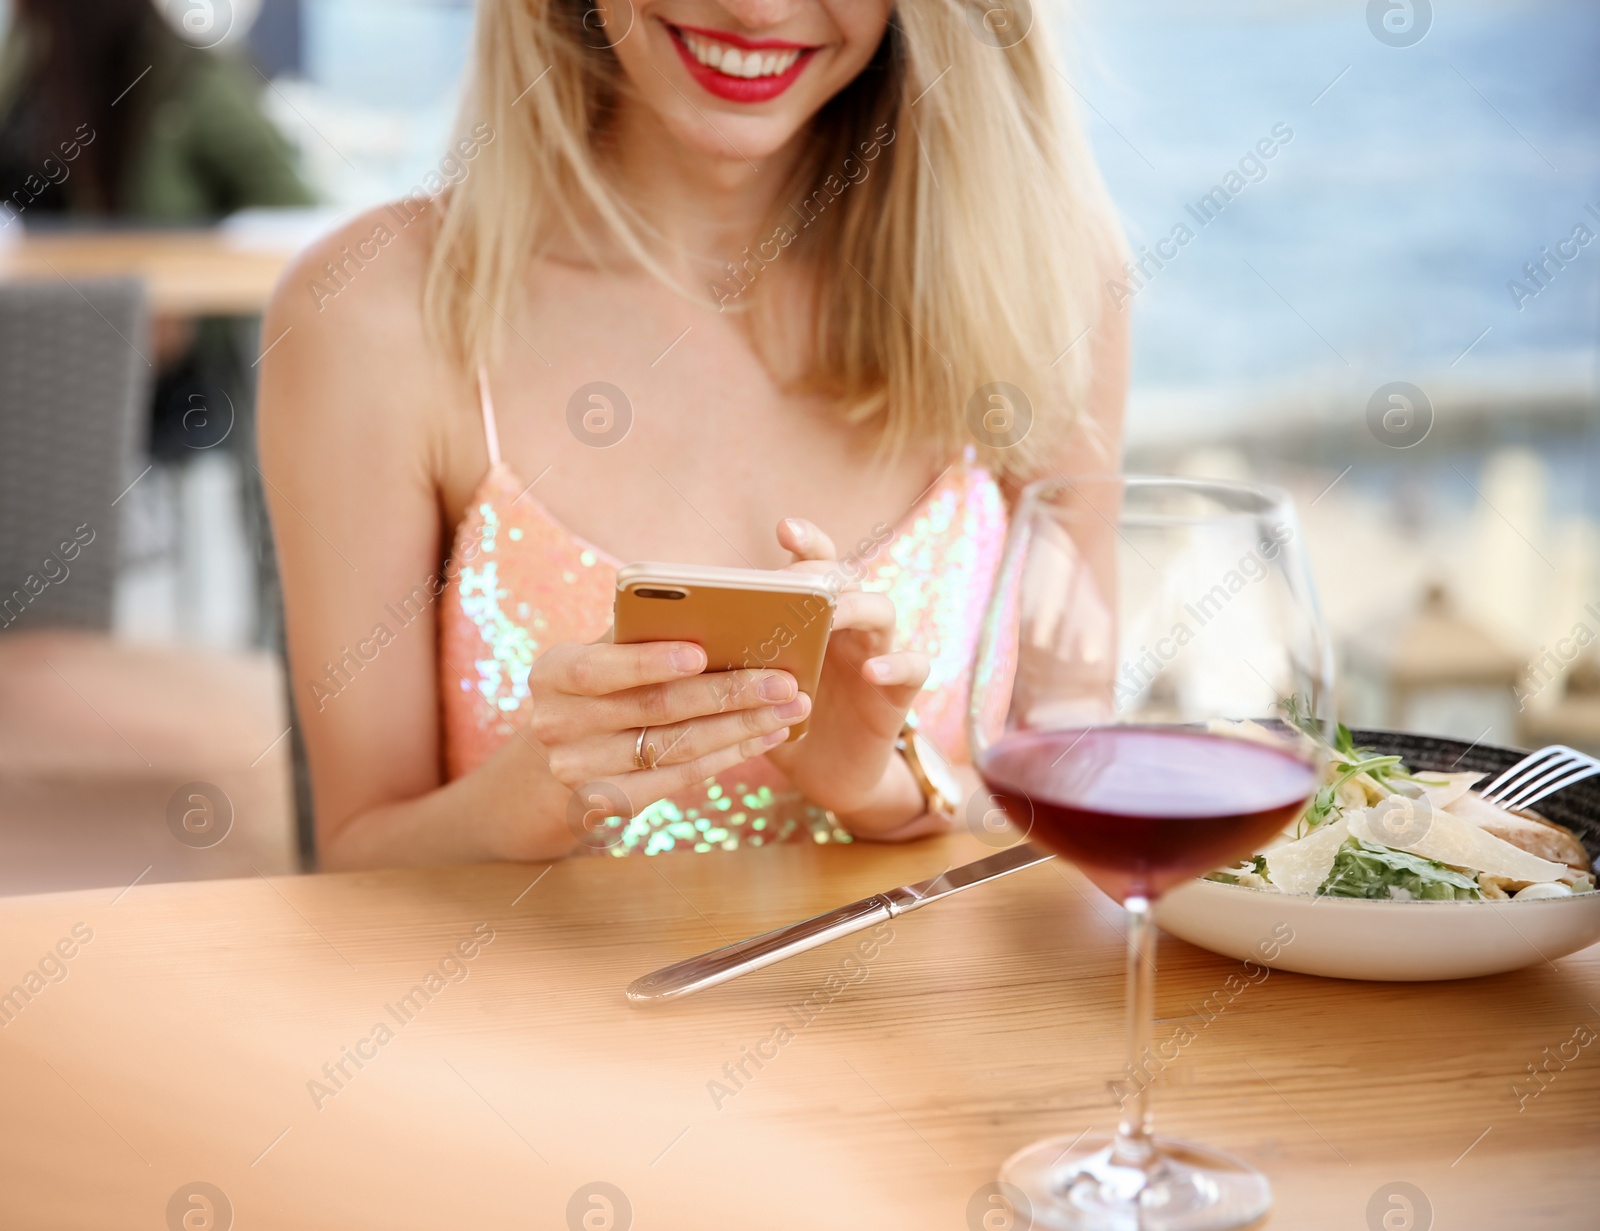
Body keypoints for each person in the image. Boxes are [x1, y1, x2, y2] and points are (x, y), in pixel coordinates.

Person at [259, 0, 1128, 870]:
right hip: (532, 1008)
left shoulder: (1047, 280)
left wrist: (887, 791)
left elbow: (1085, 811)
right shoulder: (371, 312)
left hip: (934, 1011)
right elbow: (357, 860)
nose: (757, 11)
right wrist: (549, 788)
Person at [0, 0, 314, 451]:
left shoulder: (190, 77)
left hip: (157, 361)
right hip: (31, 338)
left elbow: (293, 211)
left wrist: (190, 306)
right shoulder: (28, 54)